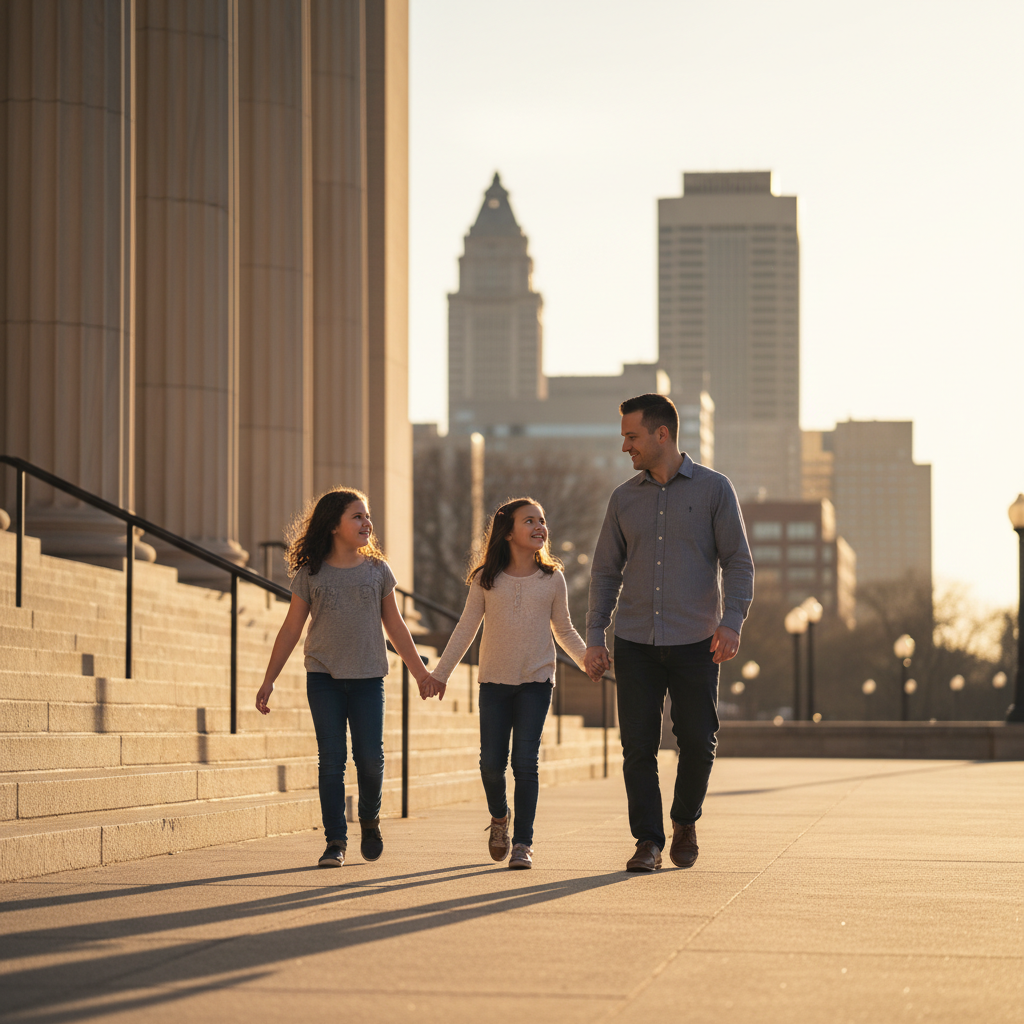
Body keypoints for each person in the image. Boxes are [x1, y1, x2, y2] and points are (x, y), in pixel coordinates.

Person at [584, 394, 754, 873]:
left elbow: (738, 563)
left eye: (632, 436)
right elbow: (604, 572)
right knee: (638, 746)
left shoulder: (716, 490)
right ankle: (648, 842)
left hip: (698, 640)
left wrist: (732, 621)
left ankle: (684, 821)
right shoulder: (623, 499)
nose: (625, 447)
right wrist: (596, 634)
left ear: (663, 434)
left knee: (698, 739)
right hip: (635, 640)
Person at [255, 489, 432, 868]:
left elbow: (396, 627)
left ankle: (369, 819)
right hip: (324, 677)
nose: (367, 522)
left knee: (370, 759)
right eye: (357, 516)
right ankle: (335, 840)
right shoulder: (311, 574)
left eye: (367, 516)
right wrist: (269, 680)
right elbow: (290, 629)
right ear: (334, 525)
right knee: (331, 760)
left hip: (369, 678)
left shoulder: (378, 571)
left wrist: (420, 673)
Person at [420, 498, 587, 869]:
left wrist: (586, 658)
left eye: (543, 520)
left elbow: (564, 630)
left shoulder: (552, 578)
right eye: (530, 521)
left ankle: (524, 843)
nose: (540, 526)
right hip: (494, 682)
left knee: (525, 762)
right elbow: (466, 628)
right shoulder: (486, 579)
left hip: (536, 681)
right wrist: (440, 674)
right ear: (509, 532)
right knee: (491, 766)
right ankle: (500, 818)